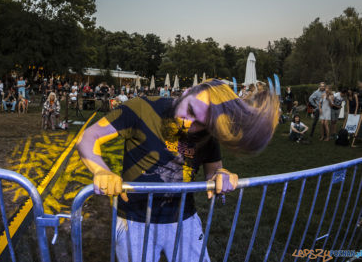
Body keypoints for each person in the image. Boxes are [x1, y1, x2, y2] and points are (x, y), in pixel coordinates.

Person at [77, 79, 279, 262]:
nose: (188, 123)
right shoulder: (141, 107)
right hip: (135, 221)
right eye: (190, 110)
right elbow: (89, 137)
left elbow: (214, 170)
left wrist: (221, 176)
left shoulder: (208, 132)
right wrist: (101, 171)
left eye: (200, 123)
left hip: (184, 220)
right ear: (187, 91)